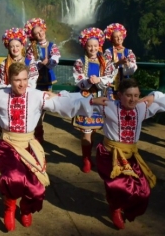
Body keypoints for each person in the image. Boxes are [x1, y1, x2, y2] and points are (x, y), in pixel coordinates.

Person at [0, 62, 82, 232]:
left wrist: (90, 101)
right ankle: (9, 207)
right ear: (9, 80)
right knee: (14, 177)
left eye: (24, 79)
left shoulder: (37, 95)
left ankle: (25, 208)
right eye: (17, 80)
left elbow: (61, 104)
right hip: (7, 144)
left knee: (37, 188)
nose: (22, 84)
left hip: (29, 144)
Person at [79, 78, 165, 230]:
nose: (133, 99)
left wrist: (155, 96)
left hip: (130, 155)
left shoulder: (142, 108)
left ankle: (125, 207)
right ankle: (115, 208)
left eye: (136, 95)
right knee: (120, 186)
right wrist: (91, 100)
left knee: (143, 191)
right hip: (110, 155)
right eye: (129, 95)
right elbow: (77, 103)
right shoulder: (108, 106)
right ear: (119, 95)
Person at [72, 27, 117, 173]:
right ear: (85, 45)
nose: (92, 48)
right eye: (90, 45)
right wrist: (88, 81)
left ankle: (94, 156)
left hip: (102, 97)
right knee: (86, 130)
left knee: (97, 130)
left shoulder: (105, 62)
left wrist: (99, 80)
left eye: (95, 46)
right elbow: (78, 79)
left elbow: (110, 77)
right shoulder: (79, 62)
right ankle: (86, 159)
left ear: (99, 46)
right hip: (86, 98)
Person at [24, 17, 61, 144]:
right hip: (34, 81)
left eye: (41, 31)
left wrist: (49, 61)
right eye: (36, 33)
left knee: (44, 106)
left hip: (47, 80)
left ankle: (39, 132)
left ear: (44, 30)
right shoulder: (31, 47)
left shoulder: (52, 45)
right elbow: (28, 61)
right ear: (33, 36)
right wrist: (38, 64)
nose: (39, 34)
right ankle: (37, 133)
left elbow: (56, 58)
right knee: (35, 106)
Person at [103, 23, 137, 92]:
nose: (119, 38)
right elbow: (106, 68)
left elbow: (133, 68)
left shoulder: (128, 52)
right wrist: (118, 63)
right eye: (116, 37)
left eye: (120, 36)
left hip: (125, 86)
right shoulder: (108, 52)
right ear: (112, 39)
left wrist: (127, 64)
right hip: (111, 85)